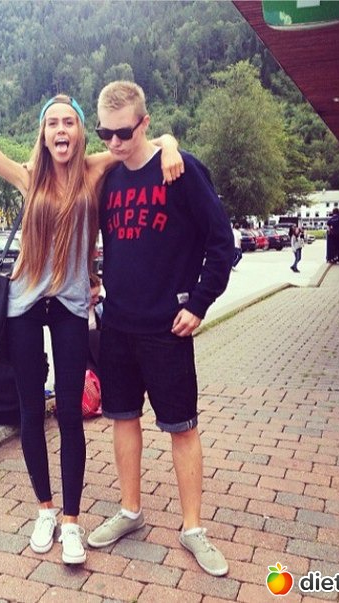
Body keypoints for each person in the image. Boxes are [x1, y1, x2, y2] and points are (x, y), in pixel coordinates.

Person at [0, 27, 183, 565]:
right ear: (43, 134)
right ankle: (43, 509)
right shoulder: (28, 177)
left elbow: (143, 141)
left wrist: (169, 143)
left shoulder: (95, 171)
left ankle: (72, 520)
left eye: (69, 122)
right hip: (23, 305)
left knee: (69, 412)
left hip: (71, 305)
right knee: (30, 411)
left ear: (81, 132)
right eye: (53, 123)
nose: (61, 129)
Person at [86, 81, 234, 577]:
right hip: (118, 325)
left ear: (145, 123)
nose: (114, 143)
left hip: (167, 328)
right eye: (105, 134)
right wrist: (93, 279)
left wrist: (200, 303)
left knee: (182, 427)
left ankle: (193, 529)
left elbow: (222, 243)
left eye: (123, 133)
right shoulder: (108, 177)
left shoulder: (181, 169)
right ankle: (130, 511)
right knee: (123, 419)